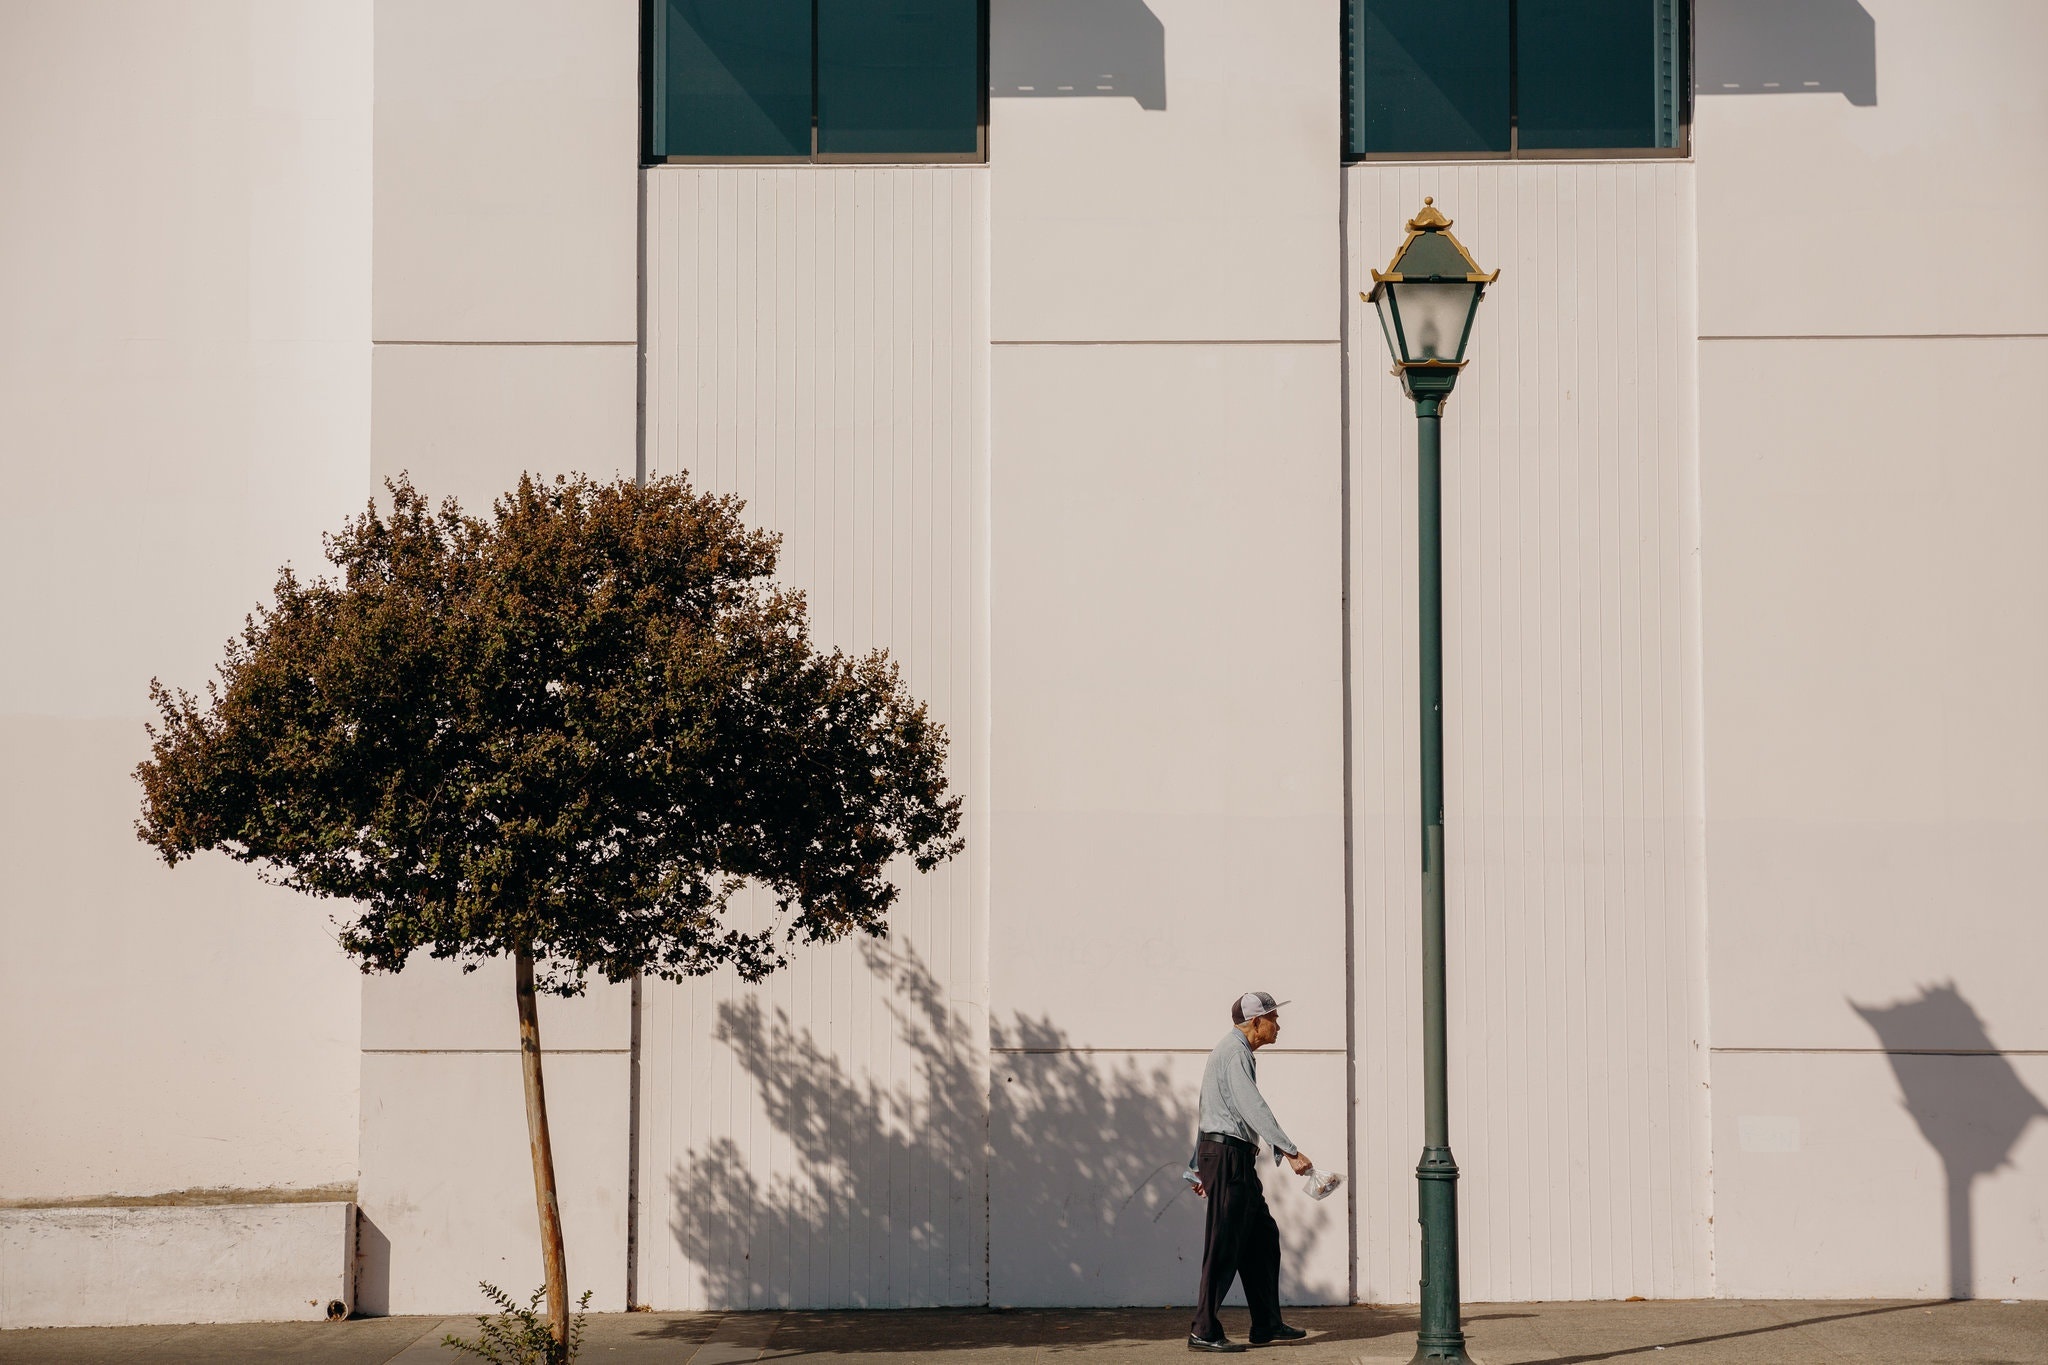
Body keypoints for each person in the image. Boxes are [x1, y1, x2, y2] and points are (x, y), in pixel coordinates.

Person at [1183, 990, 1313, 1353]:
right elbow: (1250, 1104)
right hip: (1228, 1157)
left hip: (1230, 1157)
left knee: (1262, 1240)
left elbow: (1209, 1104)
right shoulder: (1235, 1050)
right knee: (1224, 1243)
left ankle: (1266, 1323)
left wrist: (1196, 1166)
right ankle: (1203, 1330)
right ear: (1256, 1022)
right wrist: (1289, 1149)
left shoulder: (1229, 1050)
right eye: (1273, 1018)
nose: (1278, 1025)